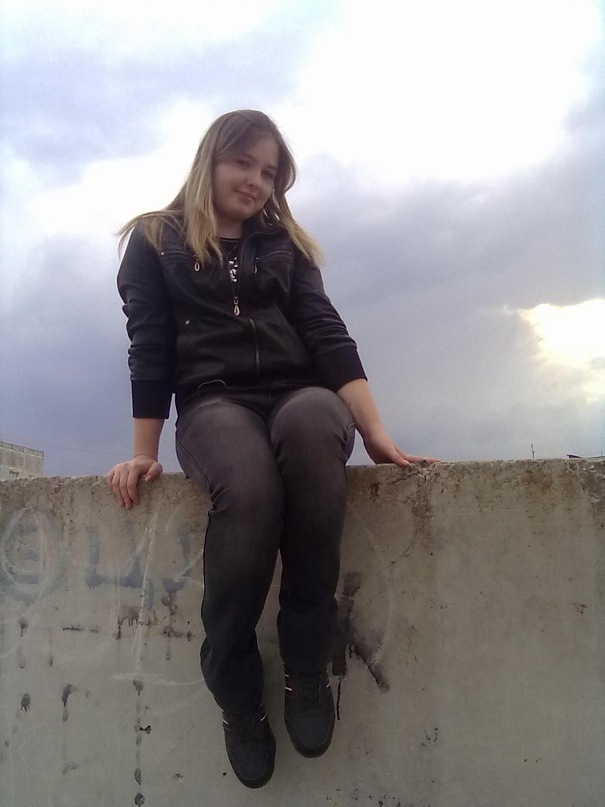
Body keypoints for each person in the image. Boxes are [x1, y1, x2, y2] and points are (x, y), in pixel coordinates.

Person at [107, 109, 436, 789]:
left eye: (270, 172)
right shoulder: (155, 239)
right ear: (209, 160)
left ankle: (305, 662)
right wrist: (143, 449)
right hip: (213, 403)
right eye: (243, 163)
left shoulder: (285, 243)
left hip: (298, 393)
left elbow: (326, 332)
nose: (256, 181)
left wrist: (375, 432)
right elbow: (150, 345)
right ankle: (236, 687)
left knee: (316, 427)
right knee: (249, 484)